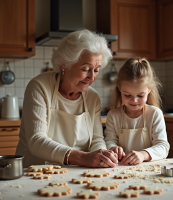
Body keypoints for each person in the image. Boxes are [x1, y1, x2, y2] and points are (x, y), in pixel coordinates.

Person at [16, 29, 118, 168]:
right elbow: (36, 141)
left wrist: (101, 156)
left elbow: (96, 139)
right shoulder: (39, 87)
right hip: (36, 172)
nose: (92, 77)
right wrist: (83, 158)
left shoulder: (92, 97)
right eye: (85, 69)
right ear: (64, 64)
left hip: (78, 173)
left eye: (96, 70)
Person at [104, 58, 170, 165]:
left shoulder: (154, 114)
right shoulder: (113, 115)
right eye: (127, 95)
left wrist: (143, 155)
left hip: (148, 169)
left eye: (140, 95)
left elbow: (163, 147)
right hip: (121, 168)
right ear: (119, 88)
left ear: (149, 90)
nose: (134, 100)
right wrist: (113, 147)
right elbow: (109, 140)